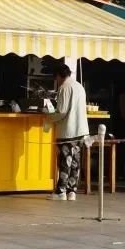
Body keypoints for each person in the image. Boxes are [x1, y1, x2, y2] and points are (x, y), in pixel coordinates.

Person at [45, 63, 88, 201]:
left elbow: (62, 111)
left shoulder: (64, 87)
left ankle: (60, 191)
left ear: (59, 75)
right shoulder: (79, 86)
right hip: (80, 130)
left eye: (56, 77)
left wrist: (49, 116)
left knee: (65, 161)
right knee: (75, 162)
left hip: (67, 131)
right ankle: (72, 191)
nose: (56, 80)